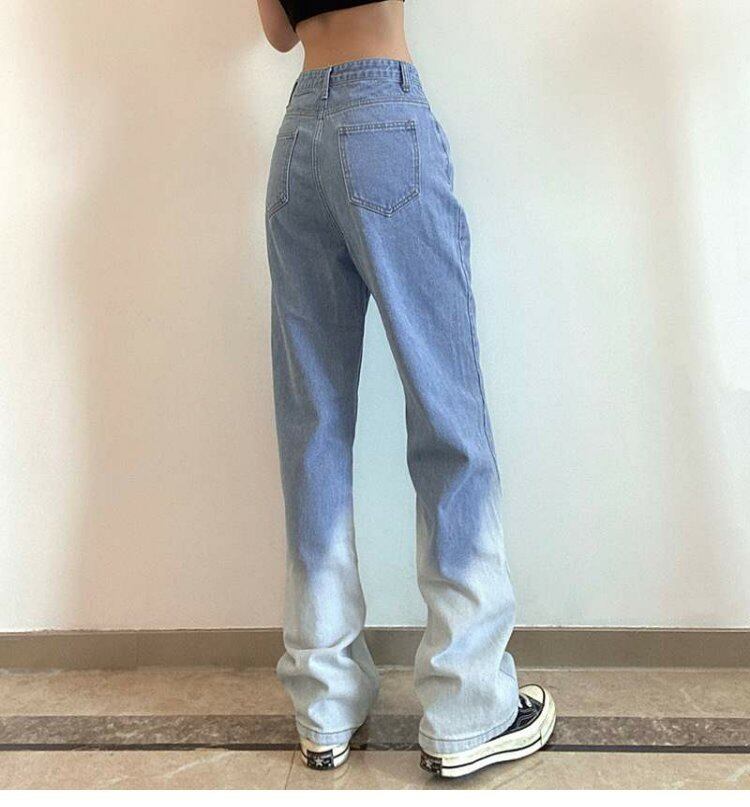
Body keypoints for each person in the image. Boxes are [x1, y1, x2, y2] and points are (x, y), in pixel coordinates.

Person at [257, 0, 556, 778]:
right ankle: (468, 706)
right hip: (383, 118)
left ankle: (323, 702)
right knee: (447, 412)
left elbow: (278, 32)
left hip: (298, 140)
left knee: (313, 426)